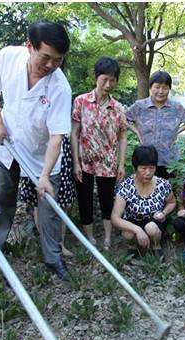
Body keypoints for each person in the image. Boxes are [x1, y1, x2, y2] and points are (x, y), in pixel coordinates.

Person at [0, 21, 72, 279]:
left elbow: (57, 137)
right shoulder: (8, 58)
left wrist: (44, 176)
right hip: (5, 147)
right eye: (45, 58)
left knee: (49, 207)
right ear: (29, 46)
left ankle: (53, 259)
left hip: (41, 155)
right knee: (2, 198)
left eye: (57, 60)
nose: (50, 66)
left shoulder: (59, 87)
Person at [70, 57, 127, 250]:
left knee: (106, 200)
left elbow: (122, 137)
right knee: (84, 199)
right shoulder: (81, 101)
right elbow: (75, 132)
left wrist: (121, 164)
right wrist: (76, 163)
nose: (108, 84)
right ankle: (90, 237)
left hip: (108, 162)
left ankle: (108, 237)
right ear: (96, 77)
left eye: (112, 80)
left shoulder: (118, 107)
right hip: (85, 161)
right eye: (104, 79)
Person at [125, 71, 185, 180]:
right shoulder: (140, 106)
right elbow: (123, 118)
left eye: (165, 88)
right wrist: (136, 132)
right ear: (150, 87)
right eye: (157, 87)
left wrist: (179, 130)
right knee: (145, 191)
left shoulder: (176, 107)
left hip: (168, 160)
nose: (161, 91)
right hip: (146, 160)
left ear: (169, 88)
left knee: (167, 191)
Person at [111, 145, 176, 256]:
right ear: (135, 167)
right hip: (132, 220)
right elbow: (115, 218)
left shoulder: (162, 184)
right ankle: (133, 246)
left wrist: (164, 212)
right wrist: (137, 230)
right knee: (127, 234)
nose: (148, 172)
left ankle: (156, 246)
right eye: (143, 168)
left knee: (151, 228)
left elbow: (172, 202)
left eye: (152, 168)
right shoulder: (126, 186)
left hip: (153, 221)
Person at [18, 136, 75, 257]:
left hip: (59, 148)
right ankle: (46, 243)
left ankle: (60, 244)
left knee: (63, 200)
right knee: (39, 201)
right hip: (35, 148)